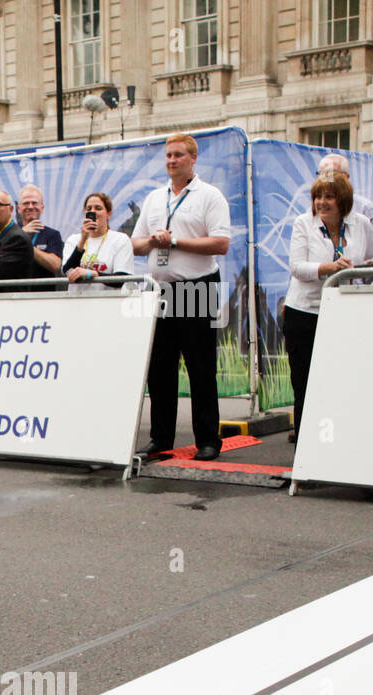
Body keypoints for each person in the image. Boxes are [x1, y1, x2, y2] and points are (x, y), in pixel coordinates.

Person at [131, 133, 231, 462]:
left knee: (201, 366)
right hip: (161, 290)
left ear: (192, 159)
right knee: (160, 368)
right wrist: (154, 241)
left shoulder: (209, 196)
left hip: (198, 286)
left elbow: (220, 244)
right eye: (168, 155)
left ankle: (208, 439)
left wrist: (176, 242)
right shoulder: (155, 198)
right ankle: (160, 438)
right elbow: (136, 244)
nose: (171, 160)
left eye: (178, 155)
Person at [283, 175, 373, 443]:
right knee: (306, 385)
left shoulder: (360, 224)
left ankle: (341, 446)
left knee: (343, 385)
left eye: (329, 197)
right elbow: (297, 268)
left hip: (346, 312)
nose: (321, 202)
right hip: (304, 313)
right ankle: (306, 451)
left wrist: (366, 264)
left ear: (344, 201)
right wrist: (330, 268)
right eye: (318, 196)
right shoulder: (303, 223)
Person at [61, 192, 135, 290]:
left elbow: (122, 279)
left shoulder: (120, 239)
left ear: (109, 214)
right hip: (77, 302)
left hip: (108, 301)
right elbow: (68, 271)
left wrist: (94, 274)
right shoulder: (73, 240)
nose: (93, 211)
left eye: (98, 208)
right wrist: (82, 240)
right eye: (89, 209)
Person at [316, 154, 373, 232]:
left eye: (331, 174)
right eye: (321, 174)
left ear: (346, 177)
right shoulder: (315, 208)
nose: (325, 179)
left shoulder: (366, 209)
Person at [17, 185, 64, 279]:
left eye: (34, 203)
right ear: (19, 209)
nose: (30, 206)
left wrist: (25, 242)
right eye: (26, 203)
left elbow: (55, 266)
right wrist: (20, 235)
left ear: (42, 207)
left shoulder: (53, 235)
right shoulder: (9, 235)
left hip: (44, 292)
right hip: (14, 291)